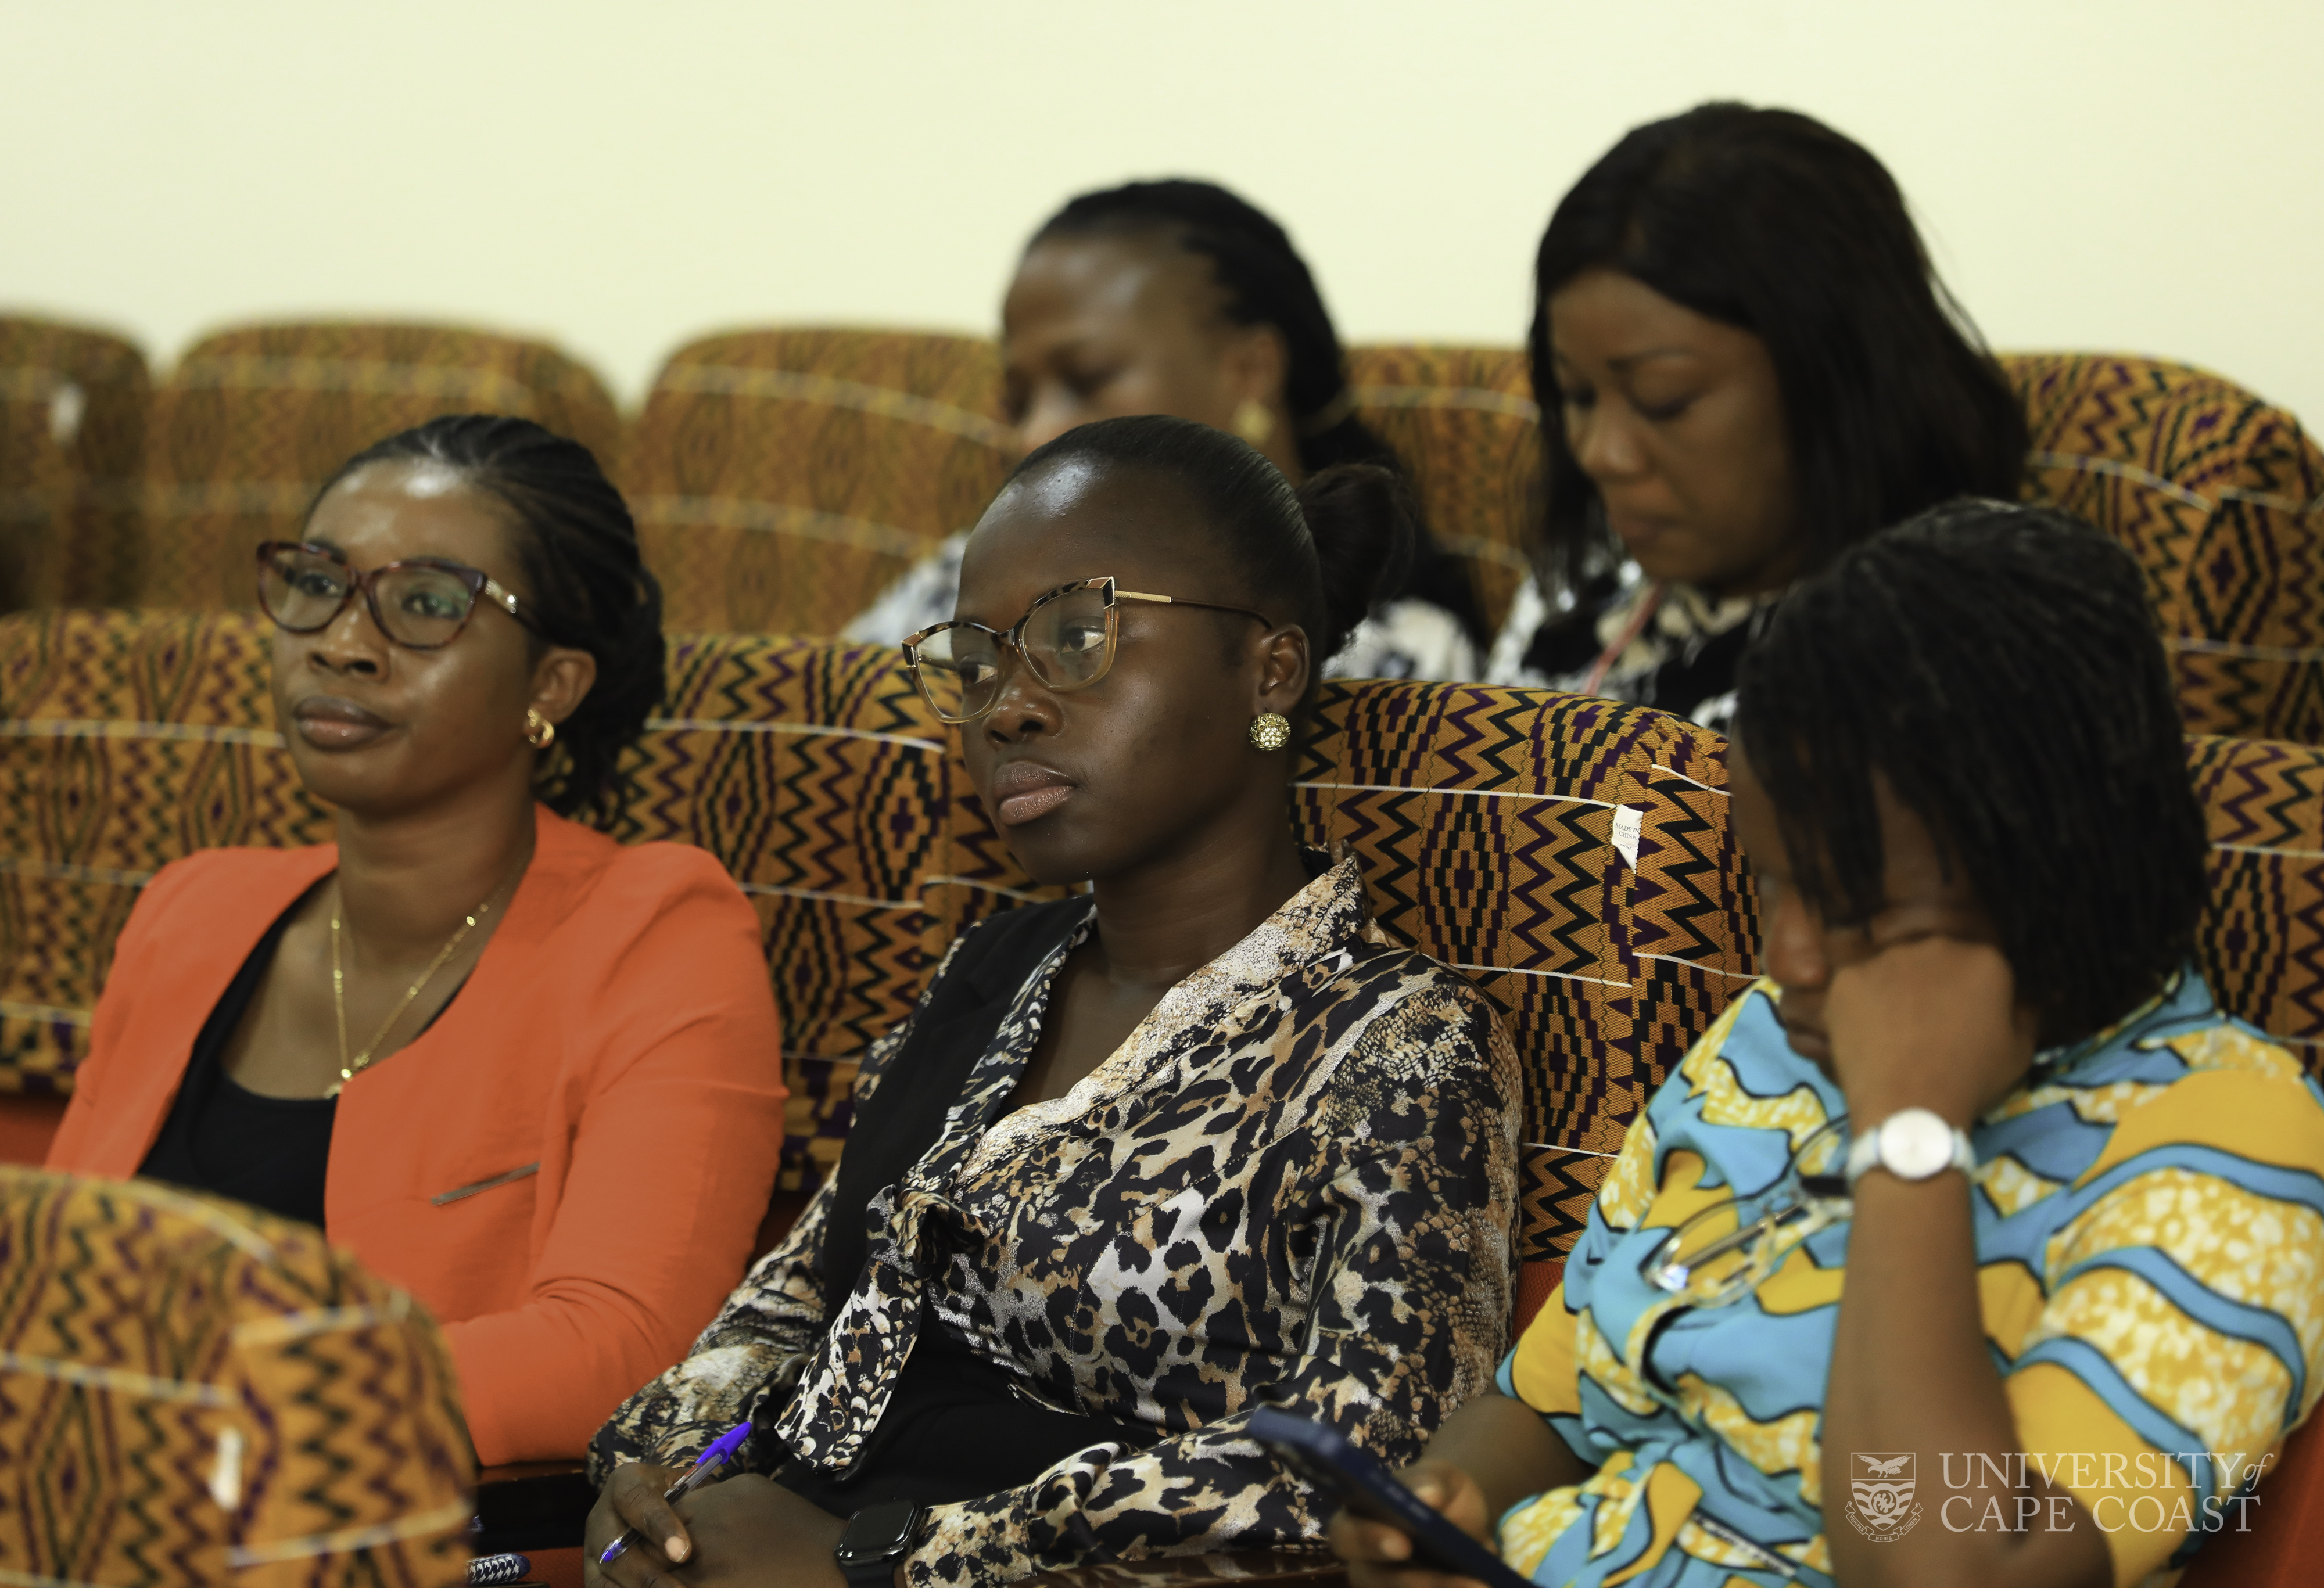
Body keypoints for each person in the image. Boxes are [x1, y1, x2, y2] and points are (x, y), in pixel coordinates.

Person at [587, 415, 1522, 1586]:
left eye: (1075, 636)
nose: (1006, 707)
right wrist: (652, 1475)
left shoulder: (1396, 1043)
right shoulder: (991, 969)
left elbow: (1355, 1479)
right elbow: (794, 1298)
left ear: (1270, 668)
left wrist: (883, 1557)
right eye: (976, 661)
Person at [1333, 501, 2324, 1587]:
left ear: (2055, 864)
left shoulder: (2234, 1139)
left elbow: (1952, 1571)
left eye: (1858, 901)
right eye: (1773, 879)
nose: (1790, 954)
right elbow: (1551, 1404)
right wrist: (1452, 1502)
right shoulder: (1769, 1036)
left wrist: (1912, 1131)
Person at [46, 415, 788, 1466]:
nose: (342, 641)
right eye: (318, 582)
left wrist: (205, 1408)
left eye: (428, 604)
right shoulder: (191, 908)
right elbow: (47, 1276)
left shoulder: (657, 932)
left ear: (551, 685)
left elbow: (624, 1346)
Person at [1486, 103, 2028, 734]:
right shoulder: (1582, 575)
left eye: (1664, 400)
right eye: (1576, 395)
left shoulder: (1948, 642)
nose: (1600, 454)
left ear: (1837, 379)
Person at [845, 178, 1488, 681]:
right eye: (1017, 403)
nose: (1031, 436)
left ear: (1250, 371)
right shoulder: (957, 583)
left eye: (1088, 379)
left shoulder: (1390, 652)